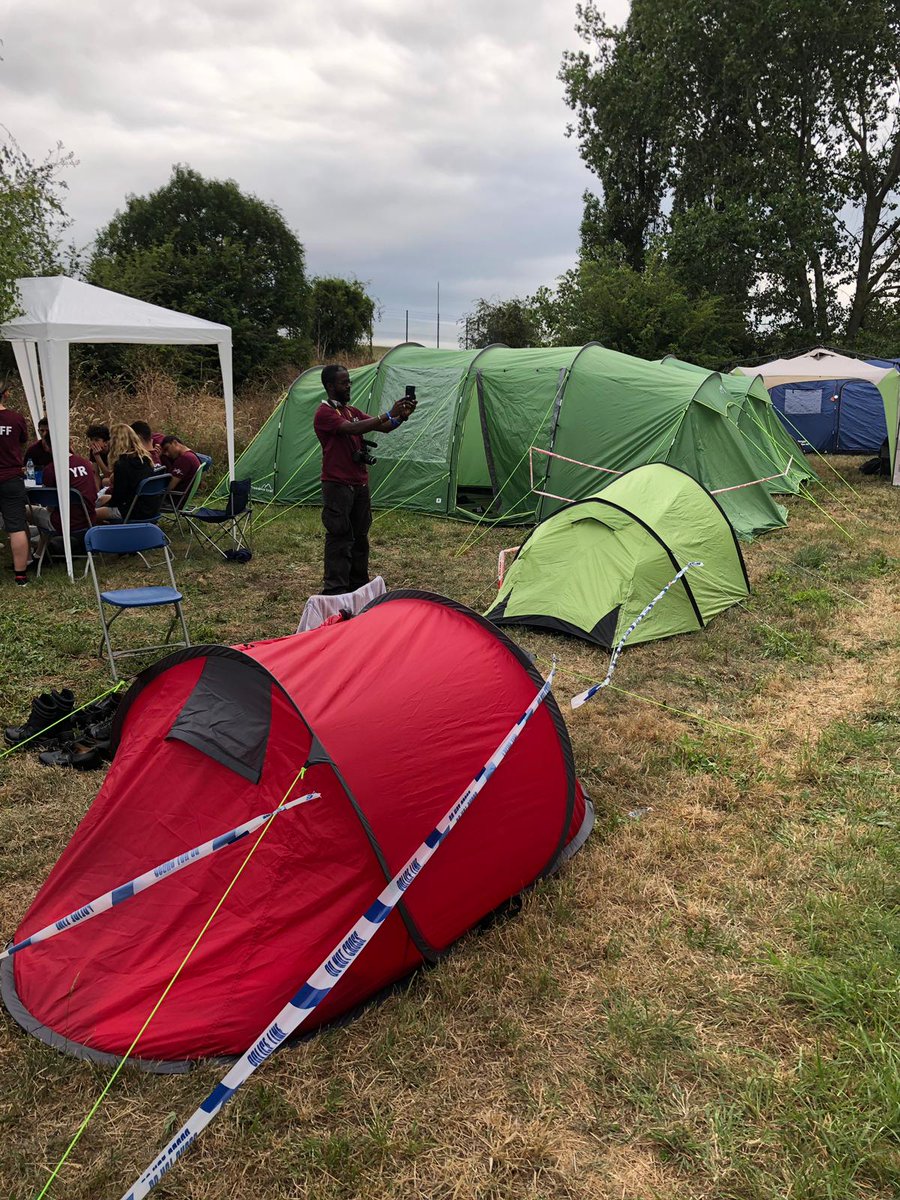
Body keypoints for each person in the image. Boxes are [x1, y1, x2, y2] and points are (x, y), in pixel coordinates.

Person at [313, 364, 416, 595]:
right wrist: (387, 413)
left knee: (360, 537)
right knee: (339, 536)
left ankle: (358, 586)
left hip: (359, 483)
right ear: (330, 386)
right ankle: (335, 589)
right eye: (343, 382)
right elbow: (352, 429)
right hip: (337, 484)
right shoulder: (325, 413)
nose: (349, 385)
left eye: (349, 381)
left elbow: (384, 427)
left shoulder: (350, 409)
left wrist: (400, 417)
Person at [0, 380, 31, 585]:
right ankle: (20, 575)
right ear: (6, 394)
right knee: (16, 526)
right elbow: (23, 441)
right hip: (11, 477)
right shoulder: (15, 418)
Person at [94, 423, 156, 522]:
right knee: (102, 499)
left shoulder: (122, 464)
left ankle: (99, 534)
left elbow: (118, 498)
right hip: (150, 508)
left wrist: (109, 503)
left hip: (132, 511)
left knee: (93, 514)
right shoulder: (145, 458)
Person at [39, 442, 98, 534]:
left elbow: (49, 507)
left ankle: (27, 546)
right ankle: (43, 547)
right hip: (89, 519)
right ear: (70, 444)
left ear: (47, 446)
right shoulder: (86, 463)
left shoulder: (51, 469)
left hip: (62, 523)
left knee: (25, 510)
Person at [159, 434, 202, 507]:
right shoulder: (192, 455)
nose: (167, 454)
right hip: (182, 499)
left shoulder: (184, 459)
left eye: (167, 449)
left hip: (174, 501)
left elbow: (169, 486)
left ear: (175, 443)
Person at [86, 423, 111, 489]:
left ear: (105, 442)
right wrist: (97, 492)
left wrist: (97, 456)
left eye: (96, 440)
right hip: (107, 478)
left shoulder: (112, 451)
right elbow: (95, 474)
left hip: (115, 478)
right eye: (91, 440)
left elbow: (108, 475)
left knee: (105, 481)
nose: (93, 443)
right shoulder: (93, 451)